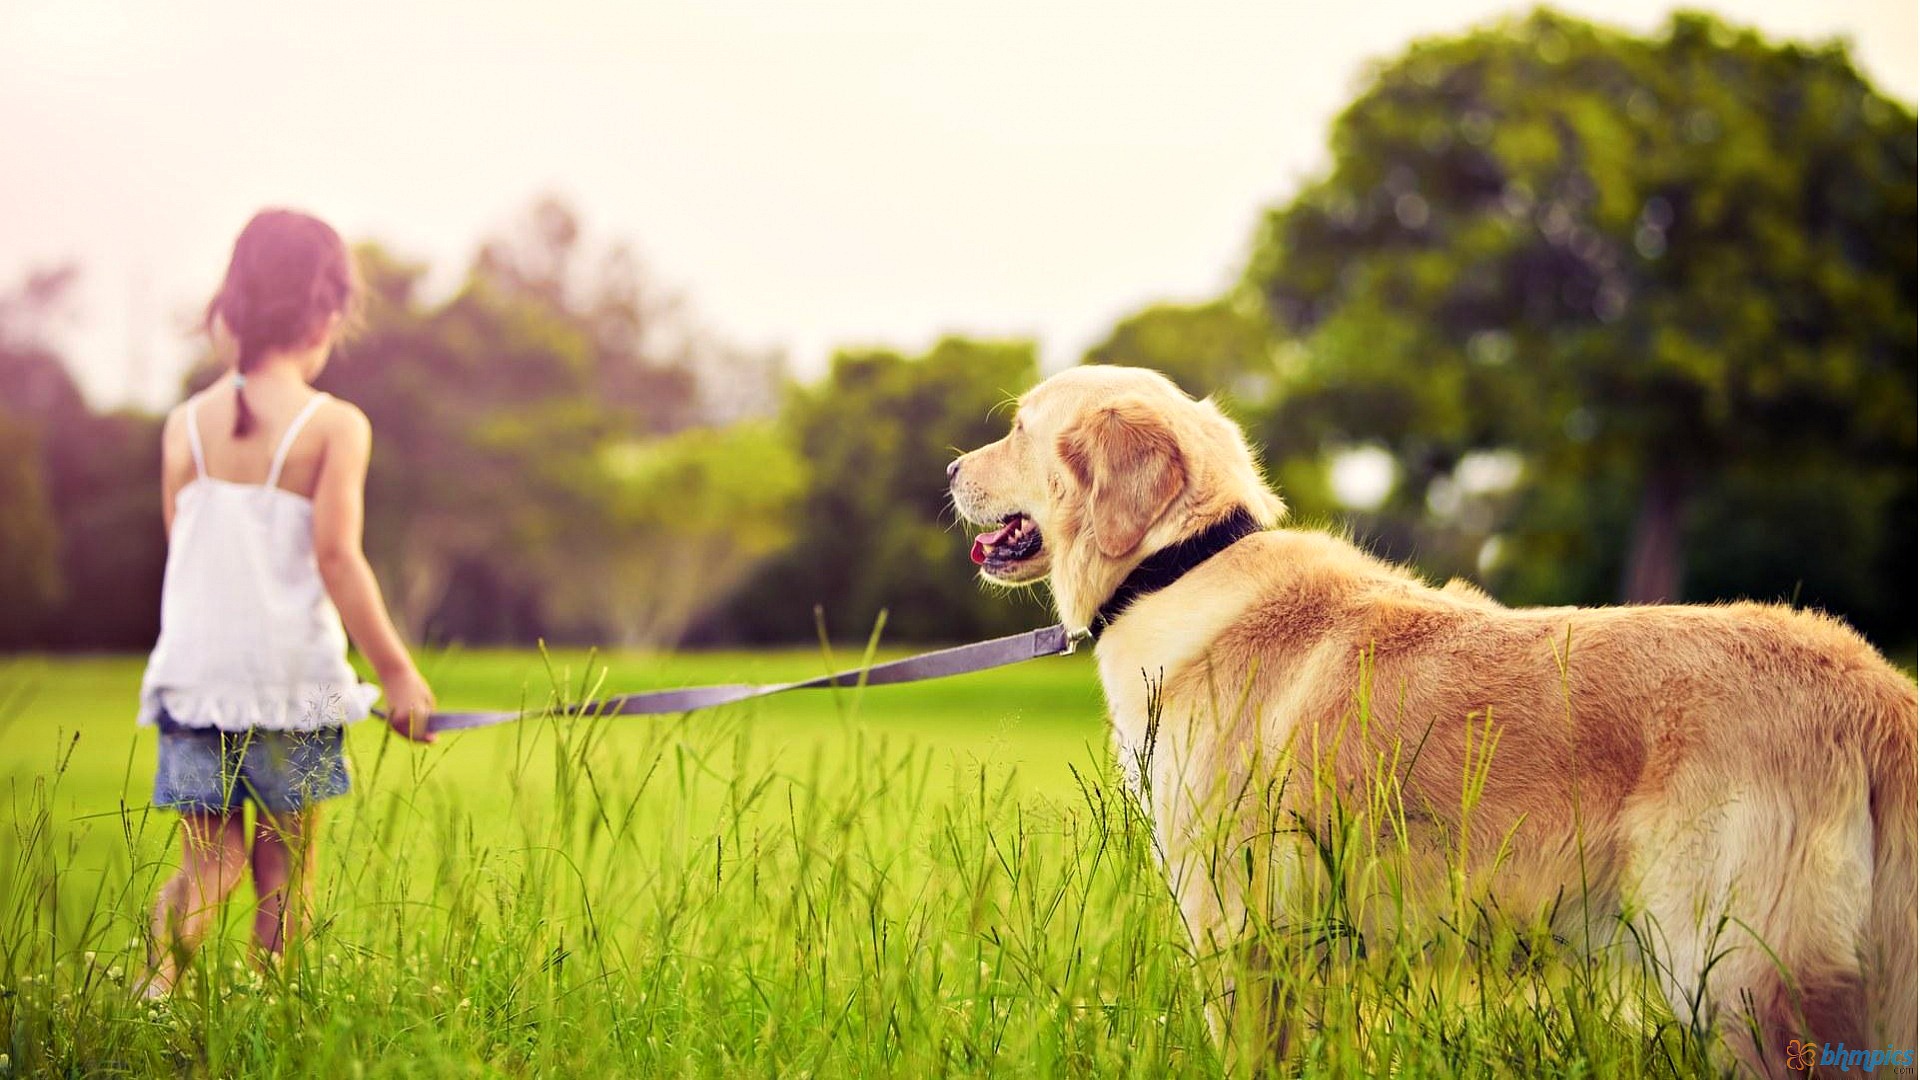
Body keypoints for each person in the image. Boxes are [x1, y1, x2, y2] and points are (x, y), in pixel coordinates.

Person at [139, 208, 436, 995]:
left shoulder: (184, 428)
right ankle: (276, 1015)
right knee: (285, 872)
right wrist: (397, 675)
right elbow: (338, 558)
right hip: (293, 691)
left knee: (211, 861)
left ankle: (152, 988)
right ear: (329, 315)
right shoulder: (334, 425)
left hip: (195, 683)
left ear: (229, 310)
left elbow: (186, 554)